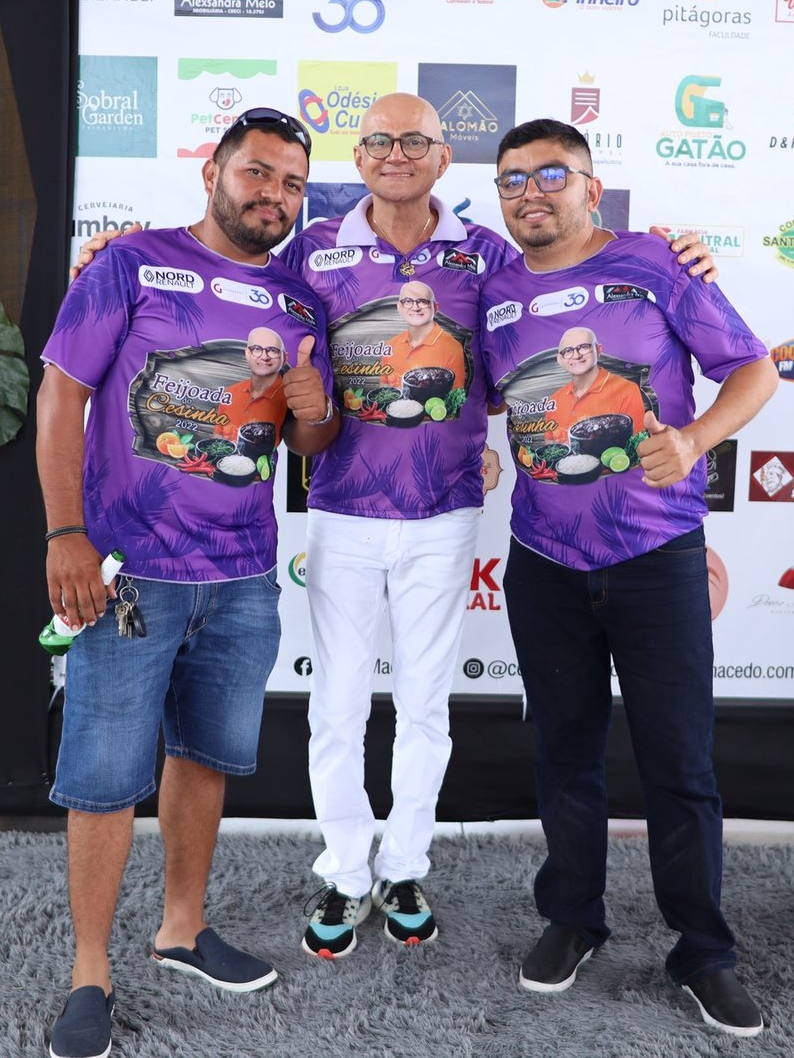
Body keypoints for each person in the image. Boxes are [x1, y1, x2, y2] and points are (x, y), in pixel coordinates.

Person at [70, 93, 721, 963]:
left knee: (424, 706)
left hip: (447, 511)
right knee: (337, 704)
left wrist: (685, 253)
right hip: (341, 508)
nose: (396, 153)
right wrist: (110, 250)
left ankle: (406, 867)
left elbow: (542, 323)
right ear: (360, 157)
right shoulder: (311, 248)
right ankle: (345, 871)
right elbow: (233, 268)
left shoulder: (490, 253)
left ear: (444, 160)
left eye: (416, 140)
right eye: (378, 139)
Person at [36, 108, 335, 1058]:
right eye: (257, 172)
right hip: (129, 573)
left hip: (242, 576)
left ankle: (181, 927)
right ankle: (90, 973)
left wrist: (314, 411)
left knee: (203, 755)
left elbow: (309, 441)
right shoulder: (131, 263)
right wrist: (65, 533)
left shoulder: (300, 305)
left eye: (292, 183)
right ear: (213, 172)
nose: (273, 195)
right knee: (102, 777)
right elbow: (61, 395)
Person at [477, 119, 778, 1038]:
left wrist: (693, 438)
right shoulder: (492, 289)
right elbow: (465, 391)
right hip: (544, 560)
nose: (531, 192)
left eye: (552, 174)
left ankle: (704, 950)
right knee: (565, 752)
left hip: (657, 555)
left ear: (591, 187)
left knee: (679, 763)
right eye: (513, 179)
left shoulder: (656, 262)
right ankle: (574, 916)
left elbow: (756, 370)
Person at [543, 327, 646, 443]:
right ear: (559, 359)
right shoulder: (555, 400)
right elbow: (549, 445)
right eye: (567, 351)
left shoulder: (627, 390)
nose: (576, 355)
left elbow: (637, 444)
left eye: (583, 347)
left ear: (598, 350)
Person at [380, 280, 465, 391]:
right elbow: (383, 392)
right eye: (407, 301)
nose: (415, 308)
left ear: (435, 308)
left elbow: (456, 397)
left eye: (423, 302)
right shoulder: (390, 345)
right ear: (399, 308)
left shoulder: (452, 348)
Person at [215, 327, 287, 444]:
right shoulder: (230, 392)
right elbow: (218, 435)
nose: (264, 357)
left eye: (273, 350)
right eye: (257, 349)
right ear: (247, 354)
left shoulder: (290, 396)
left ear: (285, 358)